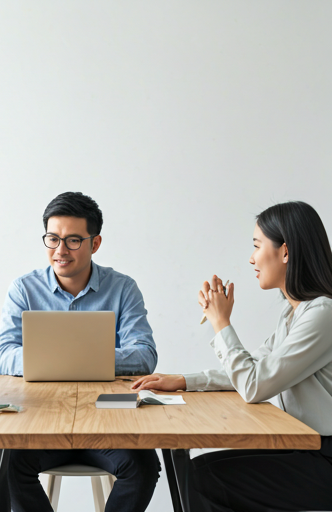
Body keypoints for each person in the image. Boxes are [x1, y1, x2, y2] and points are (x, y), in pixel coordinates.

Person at [133, 200, 332, 512]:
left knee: (202, 478)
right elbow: (255, 370)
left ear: (286, 251)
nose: (252, 258)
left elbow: (254, 386)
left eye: (257, 245)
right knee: (192, 472)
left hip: (322, 455)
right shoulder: (294, 313)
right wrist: (185, 380)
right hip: (301, 444)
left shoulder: (323, 313)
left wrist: (221, 323)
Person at [0, 191, 160, 512]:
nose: (60, 251)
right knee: (4, 463)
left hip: (109, 420)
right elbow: (3, 355)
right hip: (40, 420)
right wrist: (78, 362)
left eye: (72, 241)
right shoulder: (24, 289)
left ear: (94, 243)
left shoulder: (122, 288)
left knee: (143, 467)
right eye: (52, 239)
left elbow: (144, 355)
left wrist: (65, 362)